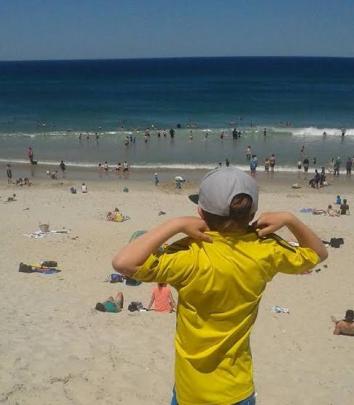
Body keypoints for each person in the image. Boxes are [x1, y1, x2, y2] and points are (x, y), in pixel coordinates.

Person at [112, 167, 327, 405]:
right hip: (237, 389)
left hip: (190, 391)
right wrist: (289, 219)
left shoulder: (190, 253)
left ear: (200, 213)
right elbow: (318, 253)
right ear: (252, 212)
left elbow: (123, 262)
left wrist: (176, 224)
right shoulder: (267, 250)